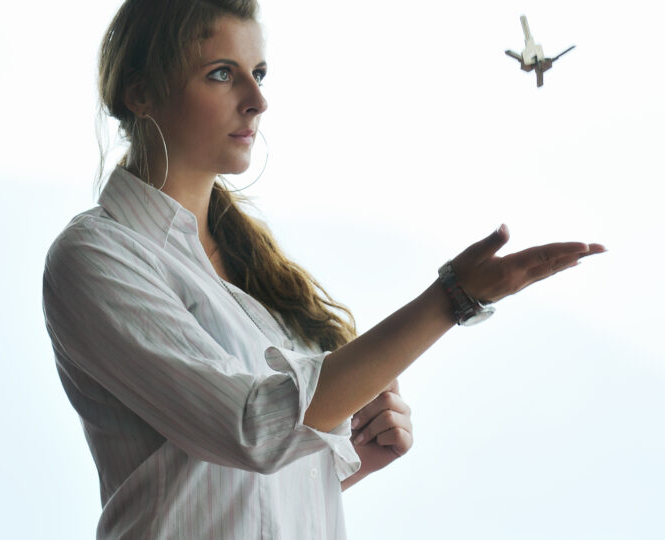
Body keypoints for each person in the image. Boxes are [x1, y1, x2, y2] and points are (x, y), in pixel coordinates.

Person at [41, 0, 606, 538]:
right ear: (140, 92)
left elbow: (233, 485)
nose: (257, 99)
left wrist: (352, 458)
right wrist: (450, 299)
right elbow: (251, 429)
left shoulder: (247, 267)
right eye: (221, 73)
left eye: (259, 72)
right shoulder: (98, 258)